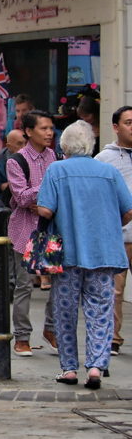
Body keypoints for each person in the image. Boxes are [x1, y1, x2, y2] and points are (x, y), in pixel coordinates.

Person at [37, 120, 132, 389]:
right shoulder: (108, 171)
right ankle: (95, 366)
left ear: (64, 145)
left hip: (67, 253)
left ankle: (69, 368)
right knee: (101, 309)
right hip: (103, 251)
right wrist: (110, 224)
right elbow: (128, 209)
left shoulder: (57, 170)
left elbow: (45, 210)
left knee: (65, 311)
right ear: (90, 145)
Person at [6, 109, 59, 356]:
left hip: (49, 227)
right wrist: (48, 185)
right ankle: (22, 337)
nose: (49, 133)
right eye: (44, 128)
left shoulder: (55, 158)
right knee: (24, 285)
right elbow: (22, 196)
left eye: (51, 128)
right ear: (29, 132)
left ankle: (51, 329)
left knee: (56, 282)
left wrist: (42, 198)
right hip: (25, 229)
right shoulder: (16, 161)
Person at [96, 105, 132, 356]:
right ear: (116, 127)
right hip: (118, 235)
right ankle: (113, 338)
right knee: (114, 291)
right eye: (128, 122)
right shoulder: (104, 159)